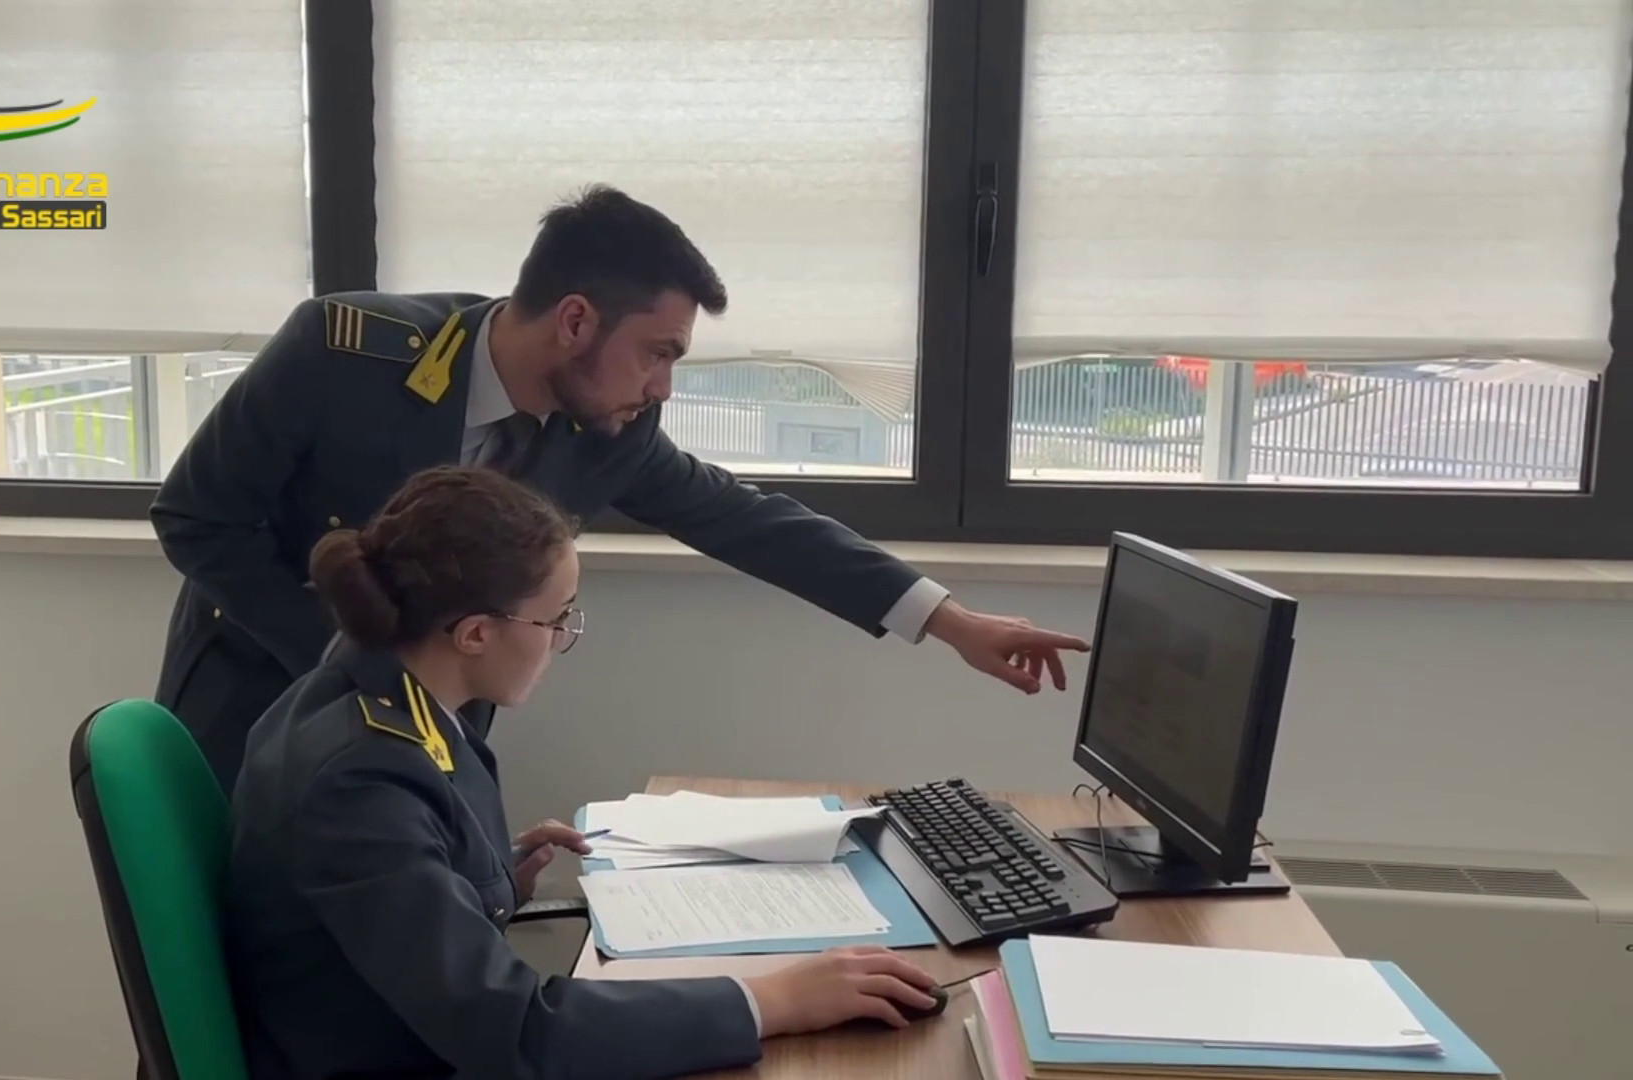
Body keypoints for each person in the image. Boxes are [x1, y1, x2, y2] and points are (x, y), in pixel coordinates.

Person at [152, 183, 1089, 794]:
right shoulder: (344, 352)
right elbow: (196, 517)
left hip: (430, 747)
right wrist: (352, 657)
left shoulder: (608, 432)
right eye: (658, 354)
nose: (663, 388)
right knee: (243, 985)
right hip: (256, 710)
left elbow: (749, 520)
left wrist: (951, 622)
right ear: (574, 321)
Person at [226, 465, 944, 1079]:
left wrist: (484, 878)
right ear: (474, 633)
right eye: (556, 619)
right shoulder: (363, 781)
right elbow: (519, 1031)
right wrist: (773, 1000)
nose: (562, 638)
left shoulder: (357, 687)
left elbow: (380, 905)